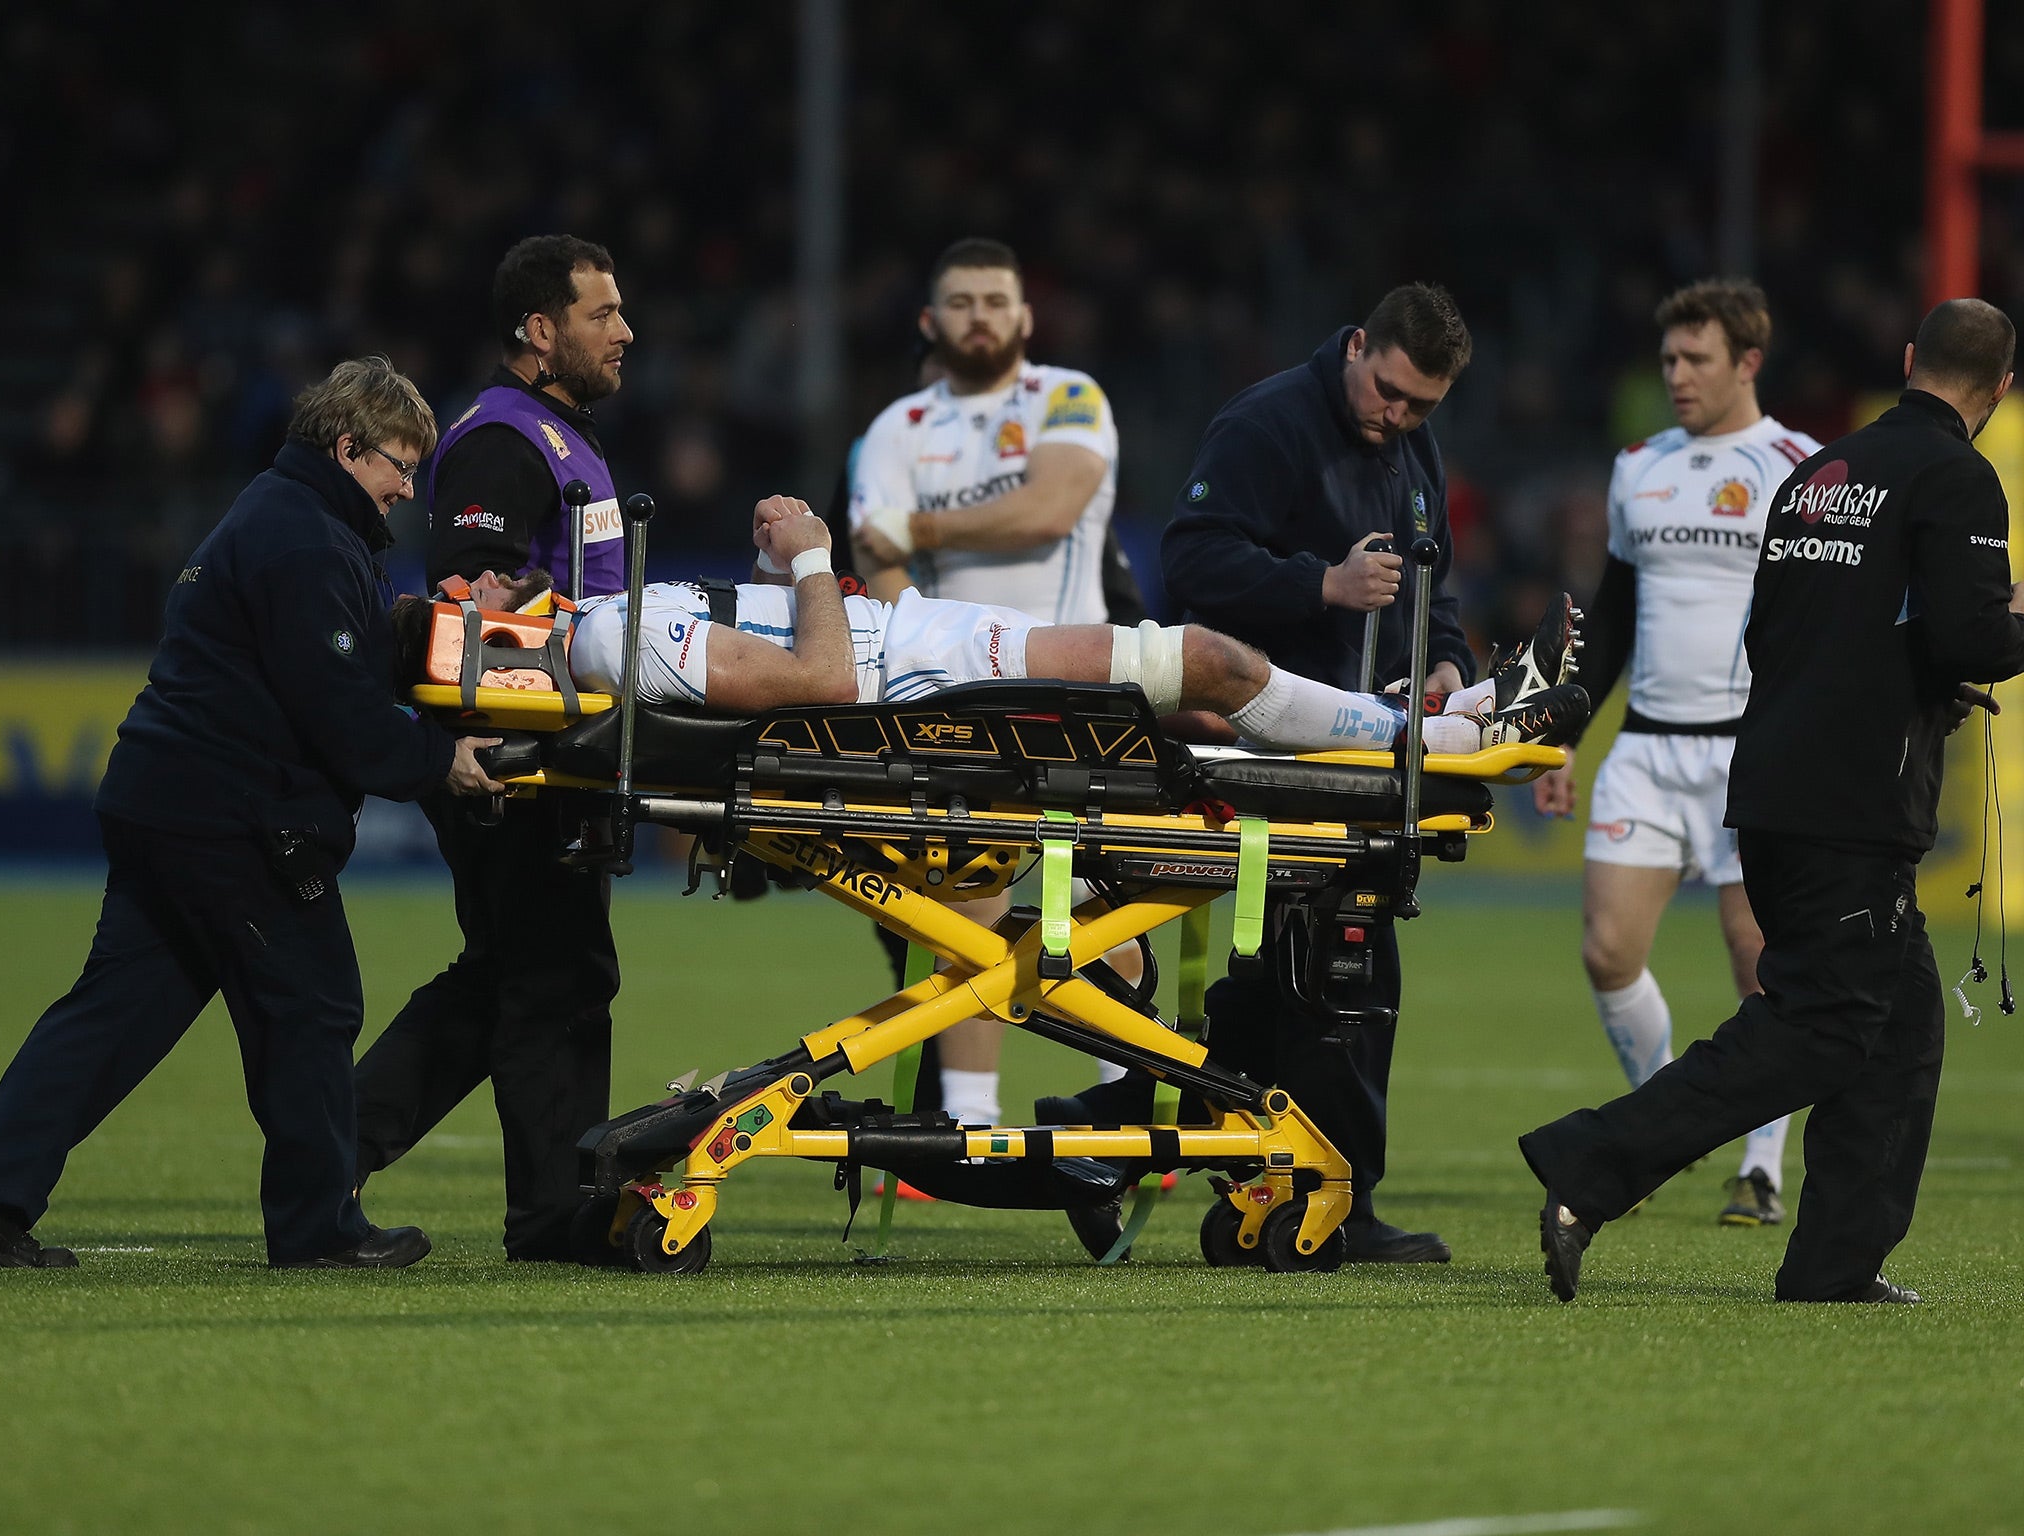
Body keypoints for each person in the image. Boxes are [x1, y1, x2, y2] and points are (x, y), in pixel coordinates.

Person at [1522, 298, 2024, 1306]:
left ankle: (1833, 1264)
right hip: (1851, 801)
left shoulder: (1815, 475)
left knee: (1899, 1028)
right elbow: (1975, 637)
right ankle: (1591, 1161)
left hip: (1770, 780)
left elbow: (1784, 632)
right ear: (1998, 388)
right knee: (1818, 1026)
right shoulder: (1955, 479)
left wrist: (1909, 670)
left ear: (1907, 358)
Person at [0, 357, 502, 1271]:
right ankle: (318, 1231)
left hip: (165, 799)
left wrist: (414, 629)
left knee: (113, 1015)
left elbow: (323, 658)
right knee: (312, 1001)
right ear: (347, 448)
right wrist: (438, 760)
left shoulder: (284, 515)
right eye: (398, 466)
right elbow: (338, 713)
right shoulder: (304, 539)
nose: (407, 489)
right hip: (232, 816)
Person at [1143, 283, 1481, 1263]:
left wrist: (1446, 658)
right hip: (1266, 745)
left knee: (1305, 970)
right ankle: (1328, 1198)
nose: (1398, 418)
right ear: (1354, 349)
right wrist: (1316, 585)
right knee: (1334, 967)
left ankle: (1267, 1178)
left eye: (1421, 406)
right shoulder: (1266, 422)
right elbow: (1190, 560)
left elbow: (1432, 578)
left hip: (1360, 751)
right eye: (1387, 394)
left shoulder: (1408, 441)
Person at [423, 498, 1588, 757]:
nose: (477, 582)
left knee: (1187, 700)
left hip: (914, 642)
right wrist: (816, 551)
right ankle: (1446, 743)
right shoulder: (602, 640)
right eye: (459, 599)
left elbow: (772, 652)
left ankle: (1436, 718)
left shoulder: (600, 626)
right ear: (476, 642)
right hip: (909, 674)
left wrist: (777, 580)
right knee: (1206, 661)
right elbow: (823, 683)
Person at [352, 235, 635, 1263]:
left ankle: (333, 1145)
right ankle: (553, 1219)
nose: (624, 332)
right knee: (555, 975)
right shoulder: (502, 441)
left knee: (513, 974)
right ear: (538, 329)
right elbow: (469, 605)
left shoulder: (558, 436)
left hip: (553, 750)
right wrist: (485, 753)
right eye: (601, 314)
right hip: (517, 758)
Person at [1531, 279, 1821, 1226]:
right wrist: (1565, 735)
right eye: (1668, 360)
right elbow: (1612, 616)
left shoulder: (1801, 468)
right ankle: (1661, 1127)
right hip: (1649, 751)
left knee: (1761, 965)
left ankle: (1764, 1167)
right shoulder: (1638, 467)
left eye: (1697, 359)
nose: (1678, 377)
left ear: (1748, 362)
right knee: (1608, 950)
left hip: (1754, 754)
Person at [844, 238, 1124, 1132]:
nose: (979, 317)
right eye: (960, 302)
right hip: (954, 702)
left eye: (996, 301)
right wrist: (923, 664)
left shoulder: (1068, 397)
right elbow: (870, 566)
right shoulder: (894, 431)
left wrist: (920, 525)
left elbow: (1049, 508)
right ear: (931, 321)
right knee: (971, 900)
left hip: (1078, 694)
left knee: (1107, 901)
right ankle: (967, 1124)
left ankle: (1124, 1108)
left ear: (1024, 318)